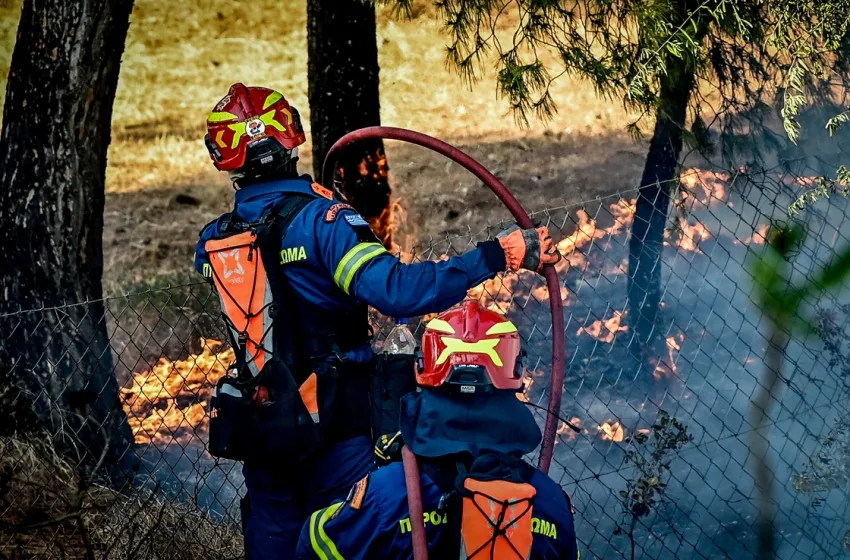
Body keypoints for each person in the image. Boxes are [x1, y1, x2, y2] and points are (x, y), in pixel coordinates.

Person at [194, 83, 561, 559]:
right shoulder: (323, 223)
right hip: (336, 427)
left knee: (275, 541)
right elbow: (400, 295)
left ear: (227, 159)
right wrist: (499, 254)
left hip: (264, 424)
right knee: (348, 539)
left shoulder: (215, 240)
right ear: (289, 139)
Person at [295, 300, 580, 560]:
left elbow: (314, 545)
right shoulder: (549, 502)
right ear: (516, 374)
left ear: (422, 370)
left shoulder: (386, 496)